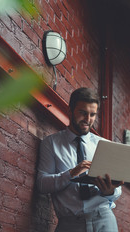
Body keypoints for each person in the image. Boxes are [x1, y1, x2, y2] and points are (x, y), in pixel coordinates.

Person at [37, 87, 123, 232]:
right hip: (69, 224)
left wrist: (110, 191)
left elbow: (117, 190)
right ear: (70, 111)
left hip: (104, 220)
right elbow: (42, 184)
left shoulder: (104, 145)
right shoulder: (51, 143)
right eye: (83, 113)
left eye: (92, 115)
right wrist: (71, 173)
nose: (88, 120)